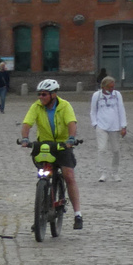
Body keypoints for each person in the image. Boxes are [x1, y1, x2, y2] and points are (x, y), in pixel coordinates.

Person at [18, 79, 82, 230]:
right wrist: (25, 139)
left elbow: (71, 123)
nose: (41, 97)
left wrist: (71, 139)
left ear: (53, 95)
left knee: (68, 175)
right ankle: (41, 212)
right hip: (44, 145)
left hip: (62, 145)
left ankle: (78, 214)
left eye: (44, 94)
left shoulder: (65, 106)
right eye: (39, 94)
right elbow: (27, 123)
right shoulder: (36, 106)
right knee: (44, 175)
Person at [88, 77, 128, 182]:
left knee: (116, 150)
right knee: (102, 149)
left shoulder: (117, 95)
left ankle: (115, 172)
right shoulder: (96, 96)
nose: (112, 89)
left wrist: (123, 126)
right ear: (103, 86)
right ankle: (103, 173)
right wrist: (95, 124)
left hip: (115, 126)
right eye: (110, 87)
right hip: (101, 126)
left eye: (113, 86)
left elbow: (121, 109)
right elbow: (93, 111)